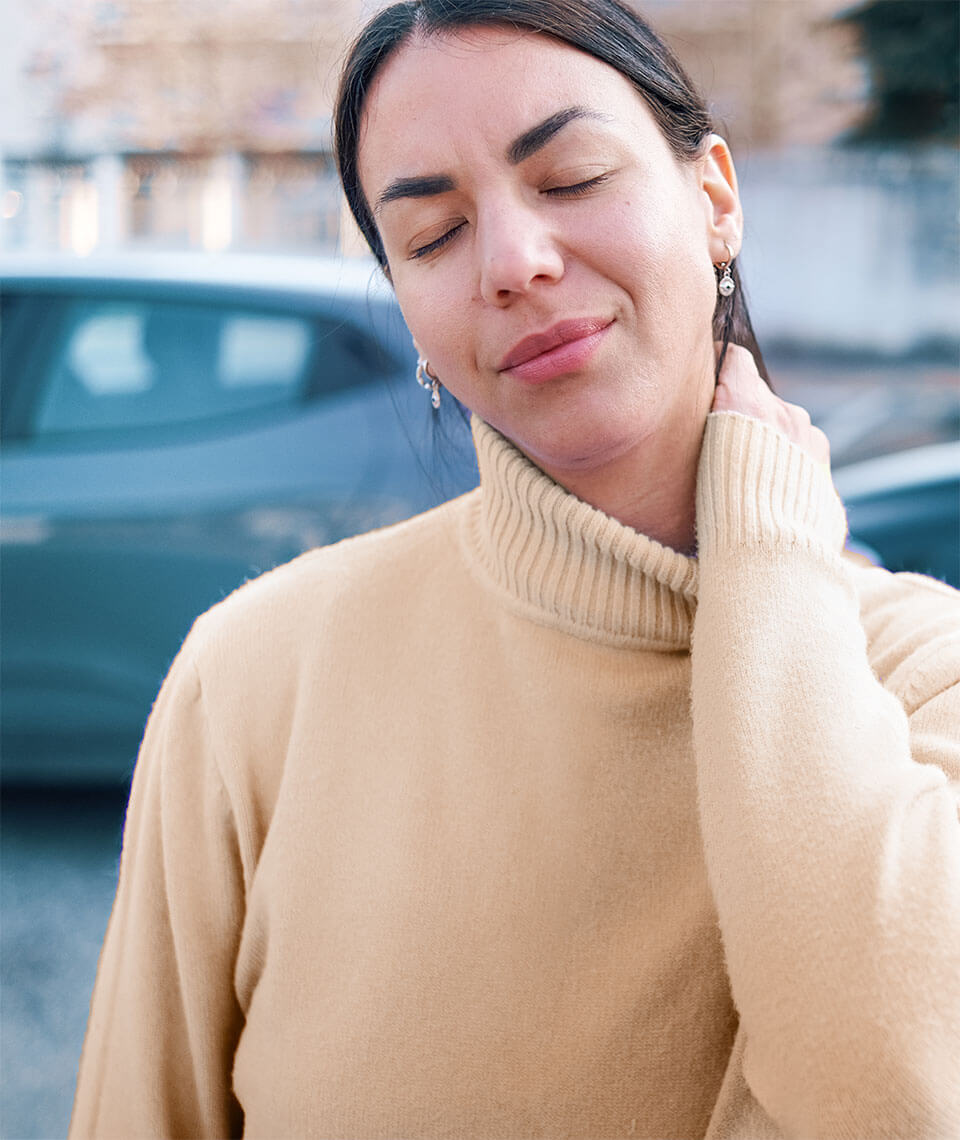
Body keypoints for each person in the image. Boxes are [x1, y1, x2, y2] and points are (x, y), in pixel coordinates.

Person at [70, 1, 960, 1137]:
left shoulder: (923, 678)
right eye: (433, 236)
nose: (514, 263)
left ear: (716, 199)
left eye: (573, 175)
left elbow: (892, 1101)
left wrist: (774, 560)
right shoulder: (255, 677)